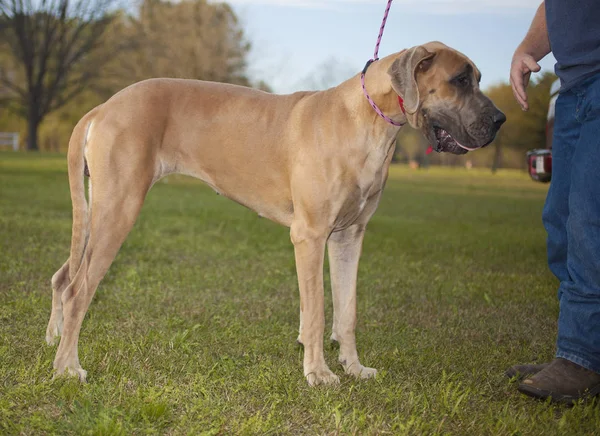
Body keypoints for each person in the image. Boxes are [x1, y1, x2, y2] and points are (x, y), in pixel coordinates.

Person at [507, 0, 600, 403]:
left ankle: (582, 356)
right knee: (560, 220)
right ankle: (576, 348)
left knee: (589, 218)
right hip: (573, 85)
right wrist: (527, 46)